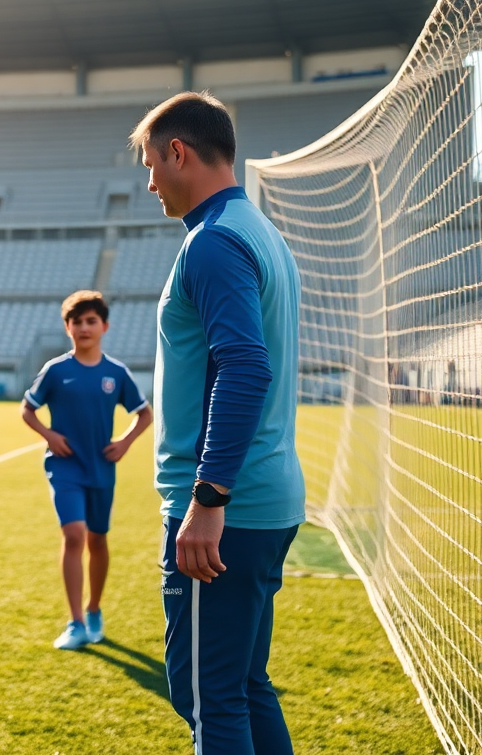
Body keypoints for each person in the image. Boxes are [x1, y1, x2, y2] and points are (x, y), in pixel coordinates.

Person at [131, 92, 305, 755]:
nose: (149, 182)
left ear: (178, 152)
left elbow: (245, 369)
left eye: (150, 164)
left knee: (207, 696)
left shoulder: (213, 243)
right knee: (240, 686)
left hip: (227, 510)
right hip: (264, 499)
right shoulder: (258, 232)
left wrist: (208, 499)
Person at [20, 290, 152, 650]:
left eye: (91, 321)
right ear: (68, 328)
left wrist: (124, 443)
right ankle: (76, 621)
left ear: (104, 326)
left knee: (98, 539)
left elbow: (145, 414)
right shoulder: (56, 370)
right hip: (64, 468)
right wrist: (49, 435)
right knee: (74, 535)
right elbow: (27, 409)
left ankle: (94, 610)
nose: (84, 327)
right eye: (76, 321)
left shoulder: (116, 373)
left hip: (101, 469)